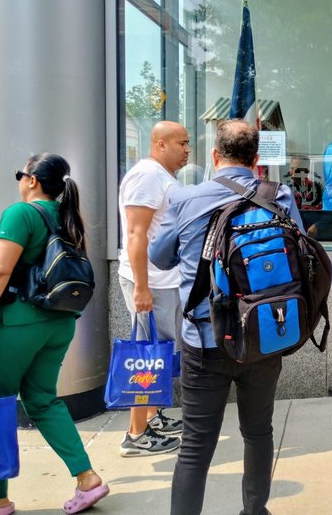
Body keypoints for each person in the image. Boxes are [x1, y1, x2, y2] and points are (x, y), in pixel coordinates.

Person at [149, 119, 303, 515]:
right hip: (264, 334)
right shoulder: (280, 195)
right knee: (258, 432)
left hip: (204, 341)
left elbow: (159, 257)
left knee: (196, 444)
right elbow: (300, 258)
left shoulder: (185, 199)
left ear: (215, 156)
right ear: (256, 159)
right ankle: (255, 511)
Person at [0, 154, 109, 515]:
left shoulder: (21, 214)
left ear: (32, 180)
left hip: (16, 325)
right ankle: (87, 478)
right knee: (41, 400)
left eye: (20, 175)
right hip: (59, 323)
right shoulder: (68, 216)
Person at [117, 121, 189, 457]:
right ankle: (136, 435)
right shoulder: (147, 176)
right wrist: (142, 287)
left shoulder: (162, 176)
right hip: (151, 283)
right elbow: (136, 234)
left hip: (164, 282)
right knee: (146, 356)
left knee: (159, 355)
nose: (187, 150)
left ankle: (151, 416)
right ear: (160, 144)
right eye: (181, 143)